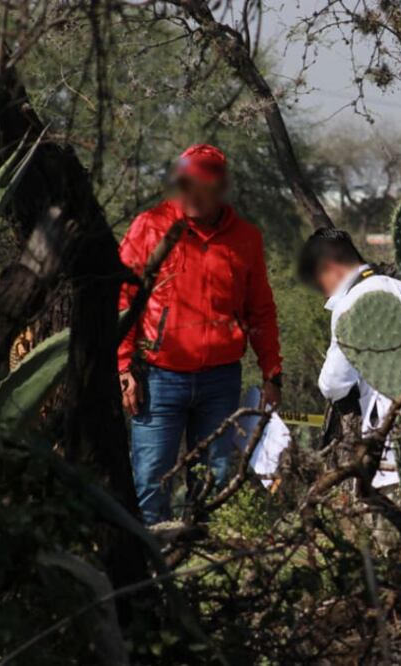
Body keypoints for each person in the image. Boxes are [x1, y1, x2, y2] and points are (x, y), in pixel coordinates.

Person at [118, 143, 283, 525]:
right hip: (158, 379)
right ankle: (152, 575)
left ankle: (204, 568)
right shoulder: (149, 226)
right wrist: (124, 366)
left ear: (219, 189)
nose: (191, 194)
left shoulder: (245, 238)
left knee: (215, 482)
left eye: (200, 187)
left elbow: (260, 309)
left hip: (221, 382)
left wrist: (272, 372)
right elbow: (121, 300)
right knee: (150, 482)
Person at [297, 228, 401, 487]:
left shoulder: (350, 304)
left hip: (391, 446)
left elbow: (334, 384)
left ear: (331, 267)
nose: (322, 292)